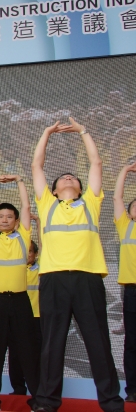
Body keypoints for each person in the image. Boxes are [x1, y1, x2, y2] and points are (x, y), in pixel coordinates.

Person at [31, 119, 124, 412]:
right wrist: (46, 133)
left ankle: (111, 402)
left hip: (87, 279)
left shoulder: (90, 204)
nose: (69, 178)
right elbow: (37, 166)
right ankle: (47, 402)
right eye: (63, 179)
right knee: (52, 344)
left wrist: (83, 131)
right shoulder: (47, 204)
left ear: (82, 190)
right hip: (54, 280)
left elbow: (96, 163)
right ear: (54, 191)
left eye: (73, 178)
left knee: (98, 343)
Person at [0, 174, 40, 411]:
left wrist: (20, 182)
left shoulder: (23, 236)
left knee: (28, 350)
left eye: (9, 217)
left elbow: (26, 206)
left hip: (20, 301)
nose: (5, 220)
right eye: (1, 216)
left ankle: (38, 400)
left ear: (16, 221)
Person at [8, 235, 41, 396]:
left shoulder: (42, 271)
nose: (27, 255)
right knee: (15, 354)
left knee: (37, 354)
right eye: (24, 251)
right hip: (18, 318)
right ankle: (18, 388)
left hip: (37, 318)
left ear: (36, 254)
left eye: (30, 251)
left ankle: (39, 389)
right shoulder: (14, 269)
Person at [115, 161, 136, 402]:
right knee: (132, 342)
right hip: (132, 291)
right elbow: (117, 198)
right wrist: (125, 170)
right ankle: (133, 390)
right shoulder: (125, 227)